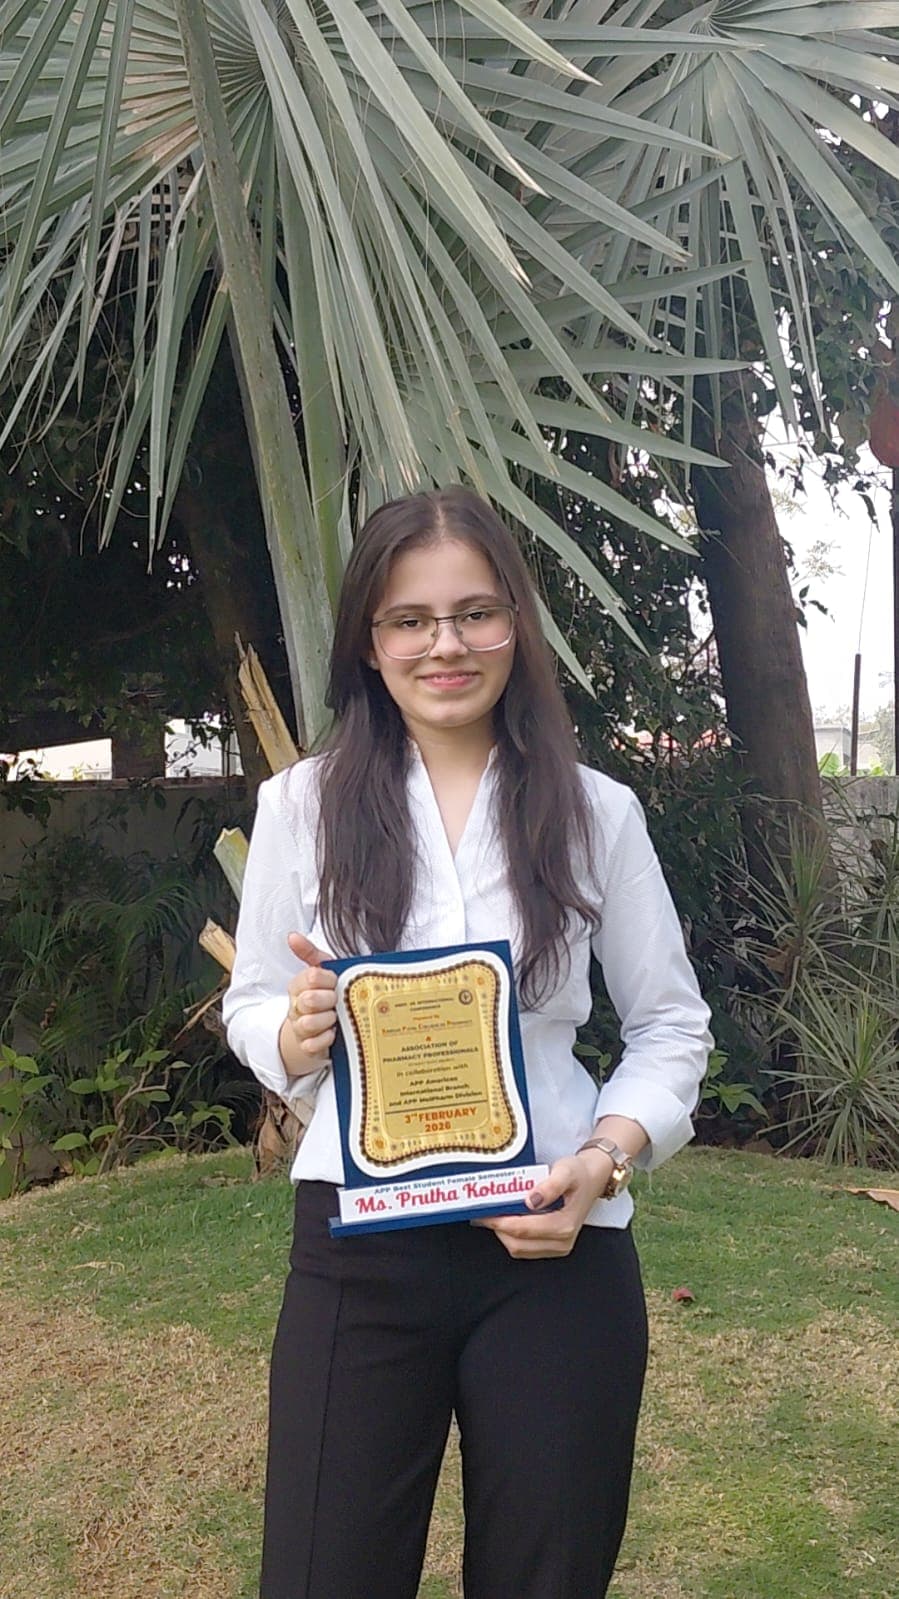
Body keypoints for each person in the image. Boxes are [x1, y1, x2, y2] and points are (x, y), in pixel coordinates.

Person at [223, 485, 712, 1599]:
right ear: (369, 642)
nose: (444, 645)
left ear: (514, 627)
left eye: (474, 613)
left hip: (553, 1244)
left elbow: (668, 1023)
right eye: (410, 620)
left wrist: (605, 1158)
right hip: (359, 1250)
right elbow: (250, 1001)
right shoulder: (300, 807)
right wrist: (291, 1031)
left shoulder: (595, 812)